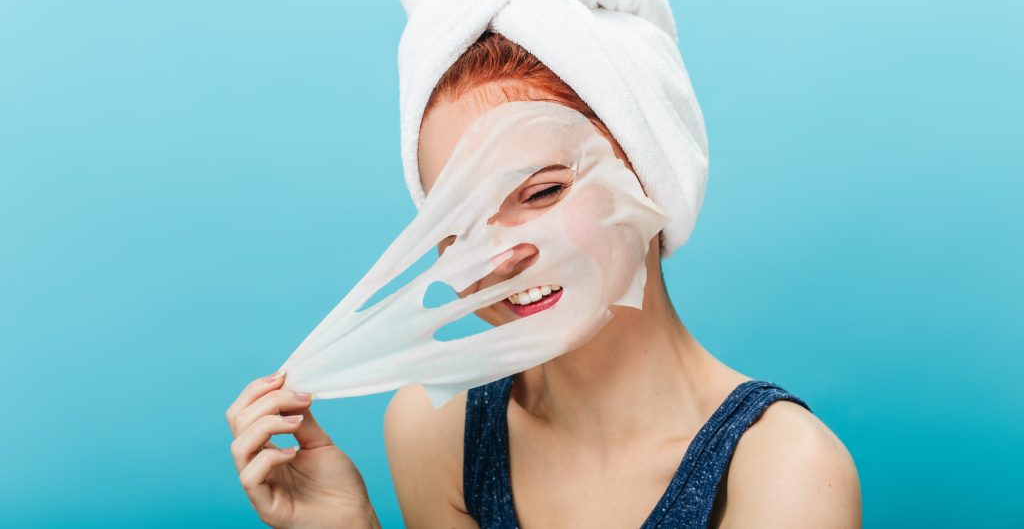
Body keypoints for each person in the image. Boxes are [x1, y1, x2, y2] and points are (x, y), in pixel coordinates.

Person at [226, 30, 862, 528]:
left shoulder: (784, 471)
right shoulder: (435, 430)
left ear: (647, 172)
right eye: (457, 224)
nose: (499, 259)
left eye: (544, 191)